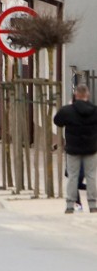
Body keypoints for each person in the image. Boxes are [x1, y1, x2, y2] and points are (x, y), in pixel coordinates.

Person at [53, 84, 97, 214]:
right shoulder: (95, 110)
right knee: (91, 176)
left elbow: (57, 121)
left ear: (76, 95)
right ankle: (93, 205)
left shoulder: (68, 110)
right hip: (91, 148)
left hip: (73, 149)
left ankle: (70, 205)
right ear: (87, 95)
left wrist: (69, 106)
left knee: (73, 176)